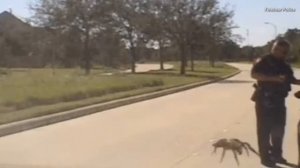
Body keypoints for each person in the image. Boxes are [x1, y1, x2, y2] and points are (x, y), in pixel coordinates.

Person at [251, 39, 300, 167]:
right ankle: (265, 157)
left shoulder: (285, 65)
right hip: (264, 100)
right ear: (273, 48)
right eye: (276, 49)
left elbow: (292, 80)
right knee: (264, 131)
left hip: (279, 101)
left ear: (286, 52)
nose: (278, 52)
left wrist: (299, 82)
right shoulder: (263, 61)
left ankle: (277, 155)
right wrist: (273, 79)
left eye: (282, 51)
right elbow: (254, 74)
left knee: (279, 129)